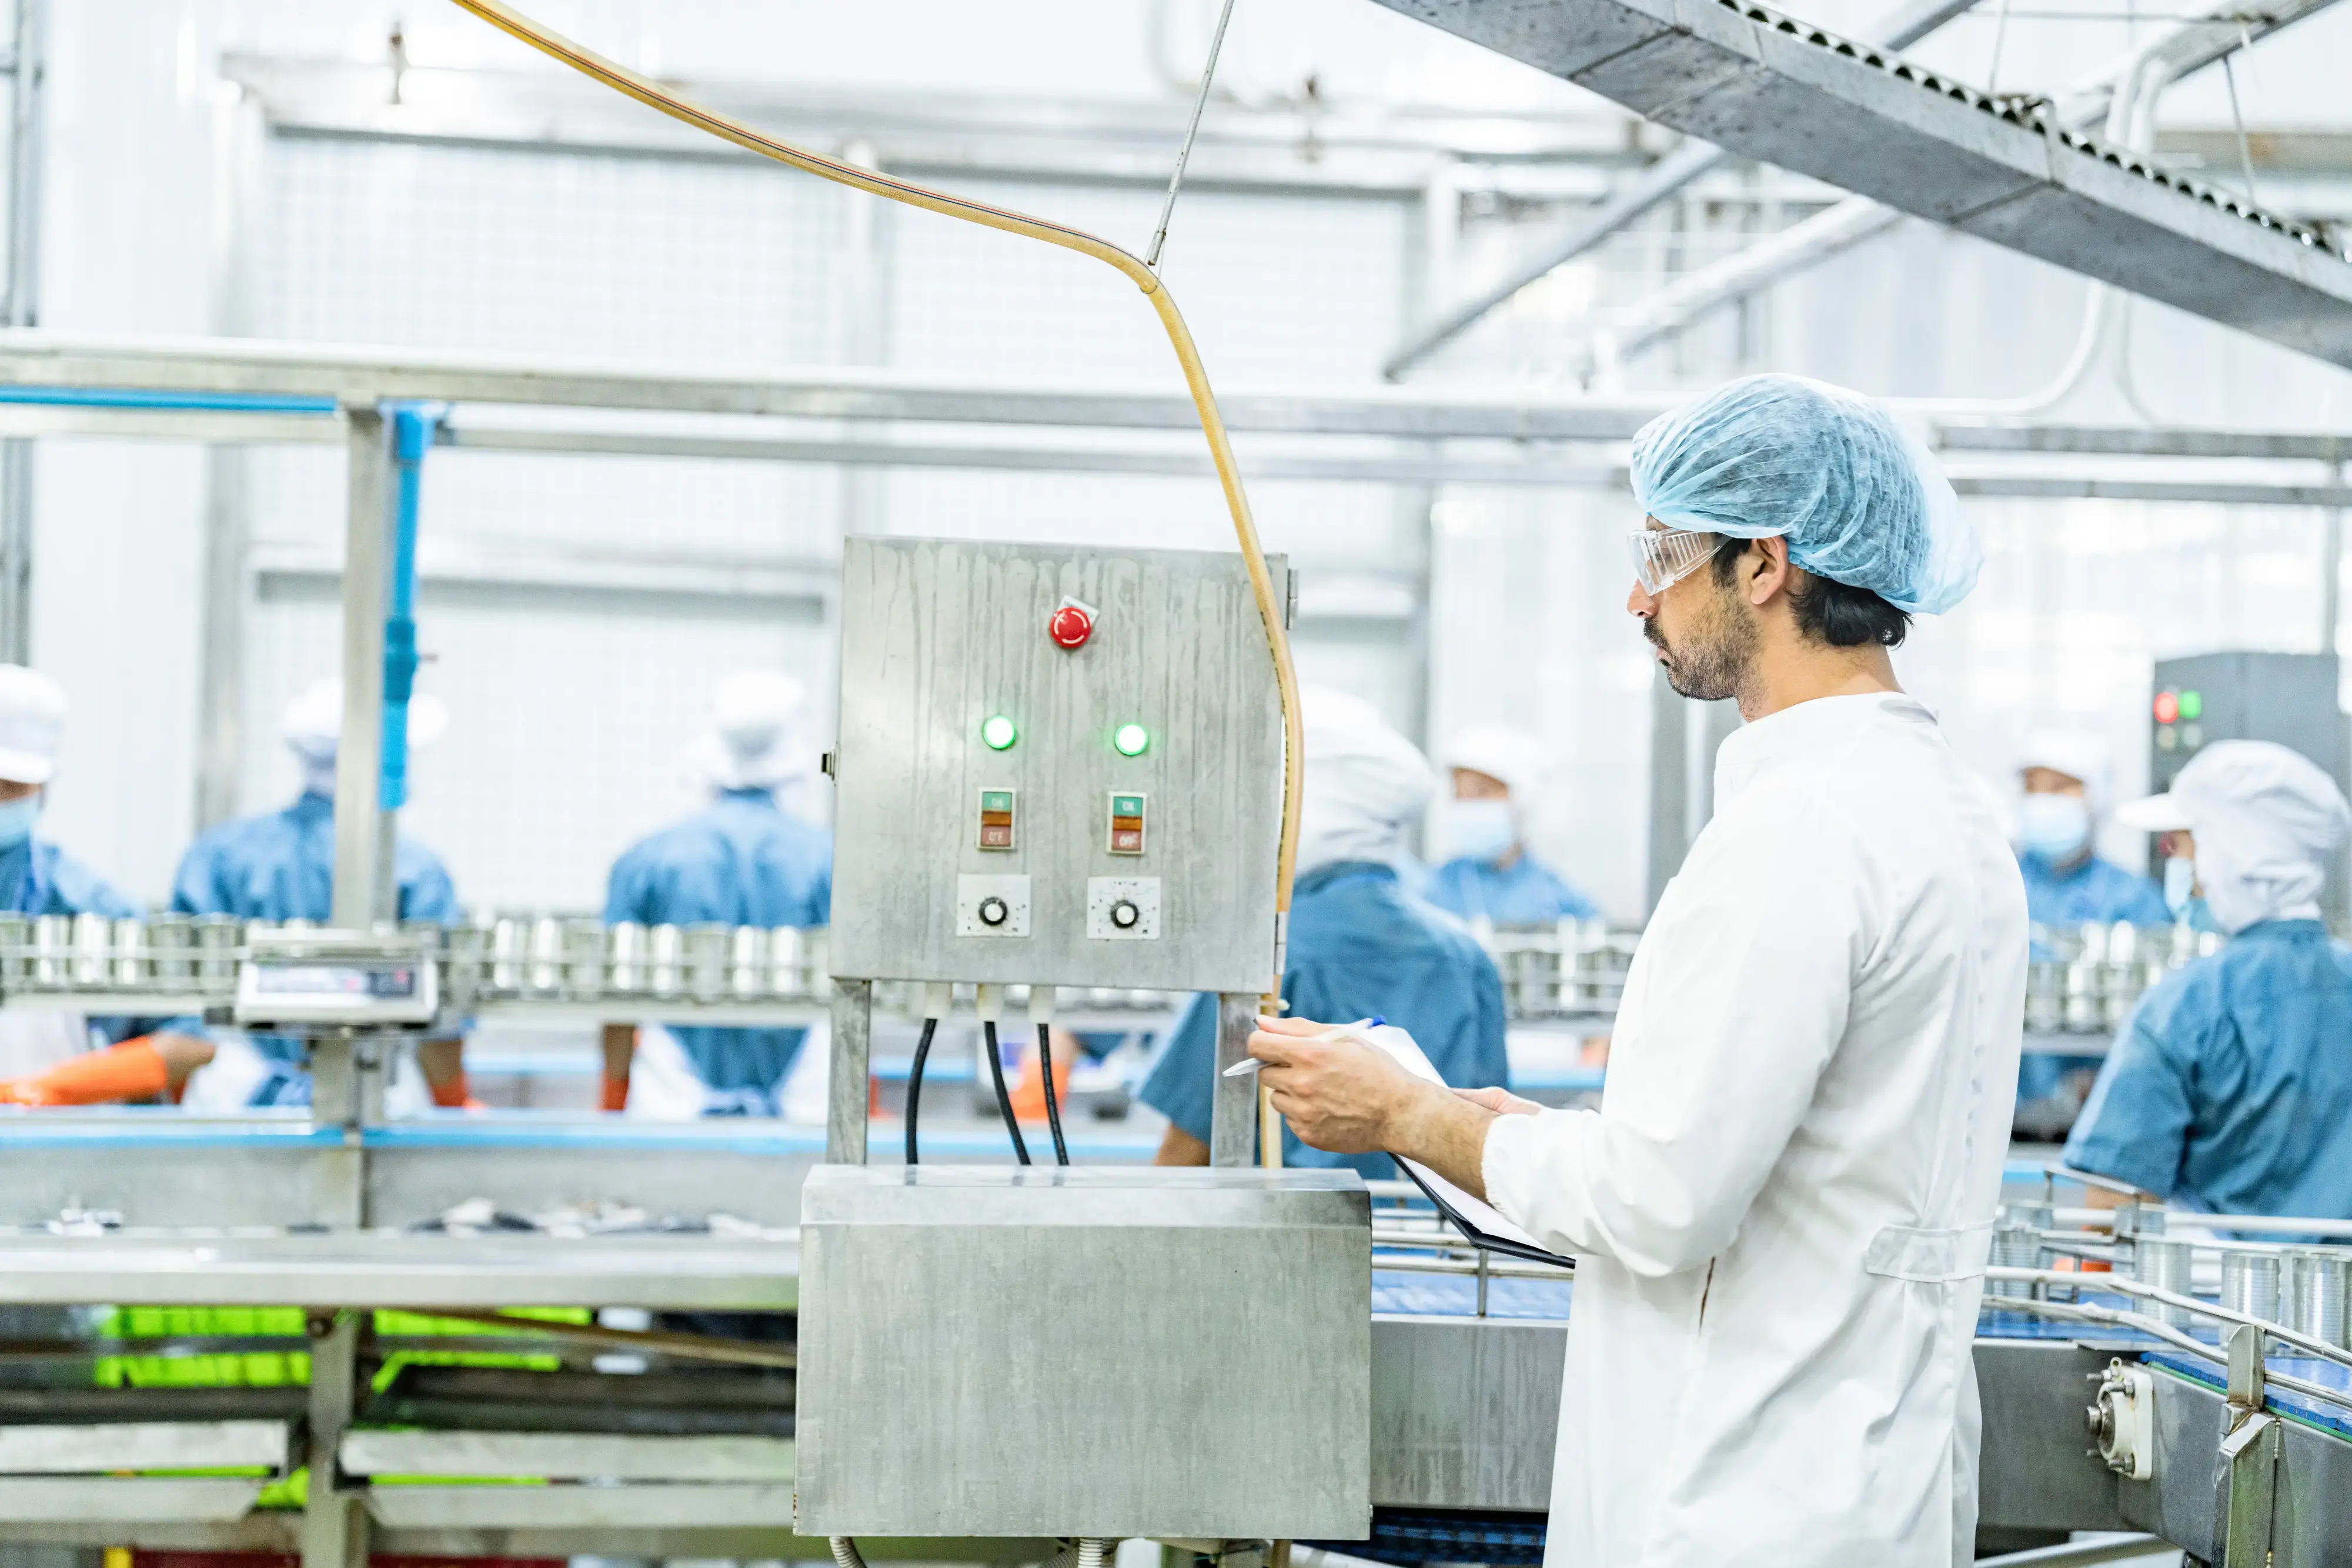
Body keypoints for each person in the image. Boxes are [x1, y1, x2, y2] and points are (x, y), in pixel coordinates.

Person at [1244, 375, 2022, 1567]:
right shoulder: (1939, 811)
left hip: (1734, 1497)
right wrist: (1488, 1129)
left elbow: (1660, 1201)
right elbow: (1777, 1159)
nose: (1634, 595)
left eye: (1661, 551)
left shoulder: (1802, 826)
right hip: (1863, 1483)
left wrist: (1405, 1111)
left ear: (1762, 565)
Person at [1138, 687, 1508, 1178]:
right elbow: (1491, 1131)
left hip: (1300, 1243)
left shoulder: (1272, 949)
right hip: (1424, 1244)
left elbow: (1189, 1145)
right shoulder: (1465, 955)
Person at [2064, 741, 2352, 1220]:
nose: (2184, 869)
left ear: (2230, 853)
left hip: (2212, 1291)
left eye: (2183, 845)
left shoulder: (2187, 1007)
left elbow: (2110, 1207)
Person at [170, 677, 470, 1109]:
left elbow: (184, 1005)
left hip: (236, 1099)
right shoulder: (410, 867)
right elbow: (441, 1028)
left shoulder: (219, 854)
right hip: (376, 1100)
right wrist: (458, 1105)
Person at [601, 671, 831, 1117]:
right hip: (802, 1091)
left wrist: (612, 1098)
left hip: (673, 1091)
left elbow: (616, 996)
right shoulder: (828, 857)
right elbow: (856, 991)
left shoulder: (650, 856)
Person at [0, 667, 212, 1105]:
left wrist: (52, 1089)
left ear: (44, 788)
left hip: (61, 1155)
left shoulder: (90, 905)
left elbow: (192, 1039)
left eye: (11, 786)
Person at [2011, 732, 2172, 1116]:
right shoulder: (1994, 886)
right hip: (1995, 1118)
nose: (2042, 802)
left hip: (2101, 1118)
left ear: (2095, 799)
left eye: (2060, 788)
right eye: (2032, 787)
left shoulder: (2134, 899)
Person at [1421, 724, 1600, 928]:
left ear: (1522, 799)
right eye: (1460, 795)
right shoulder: (1429, 891)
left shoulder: (1556, 899)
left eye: (1481, 793)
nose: (1468, 807)